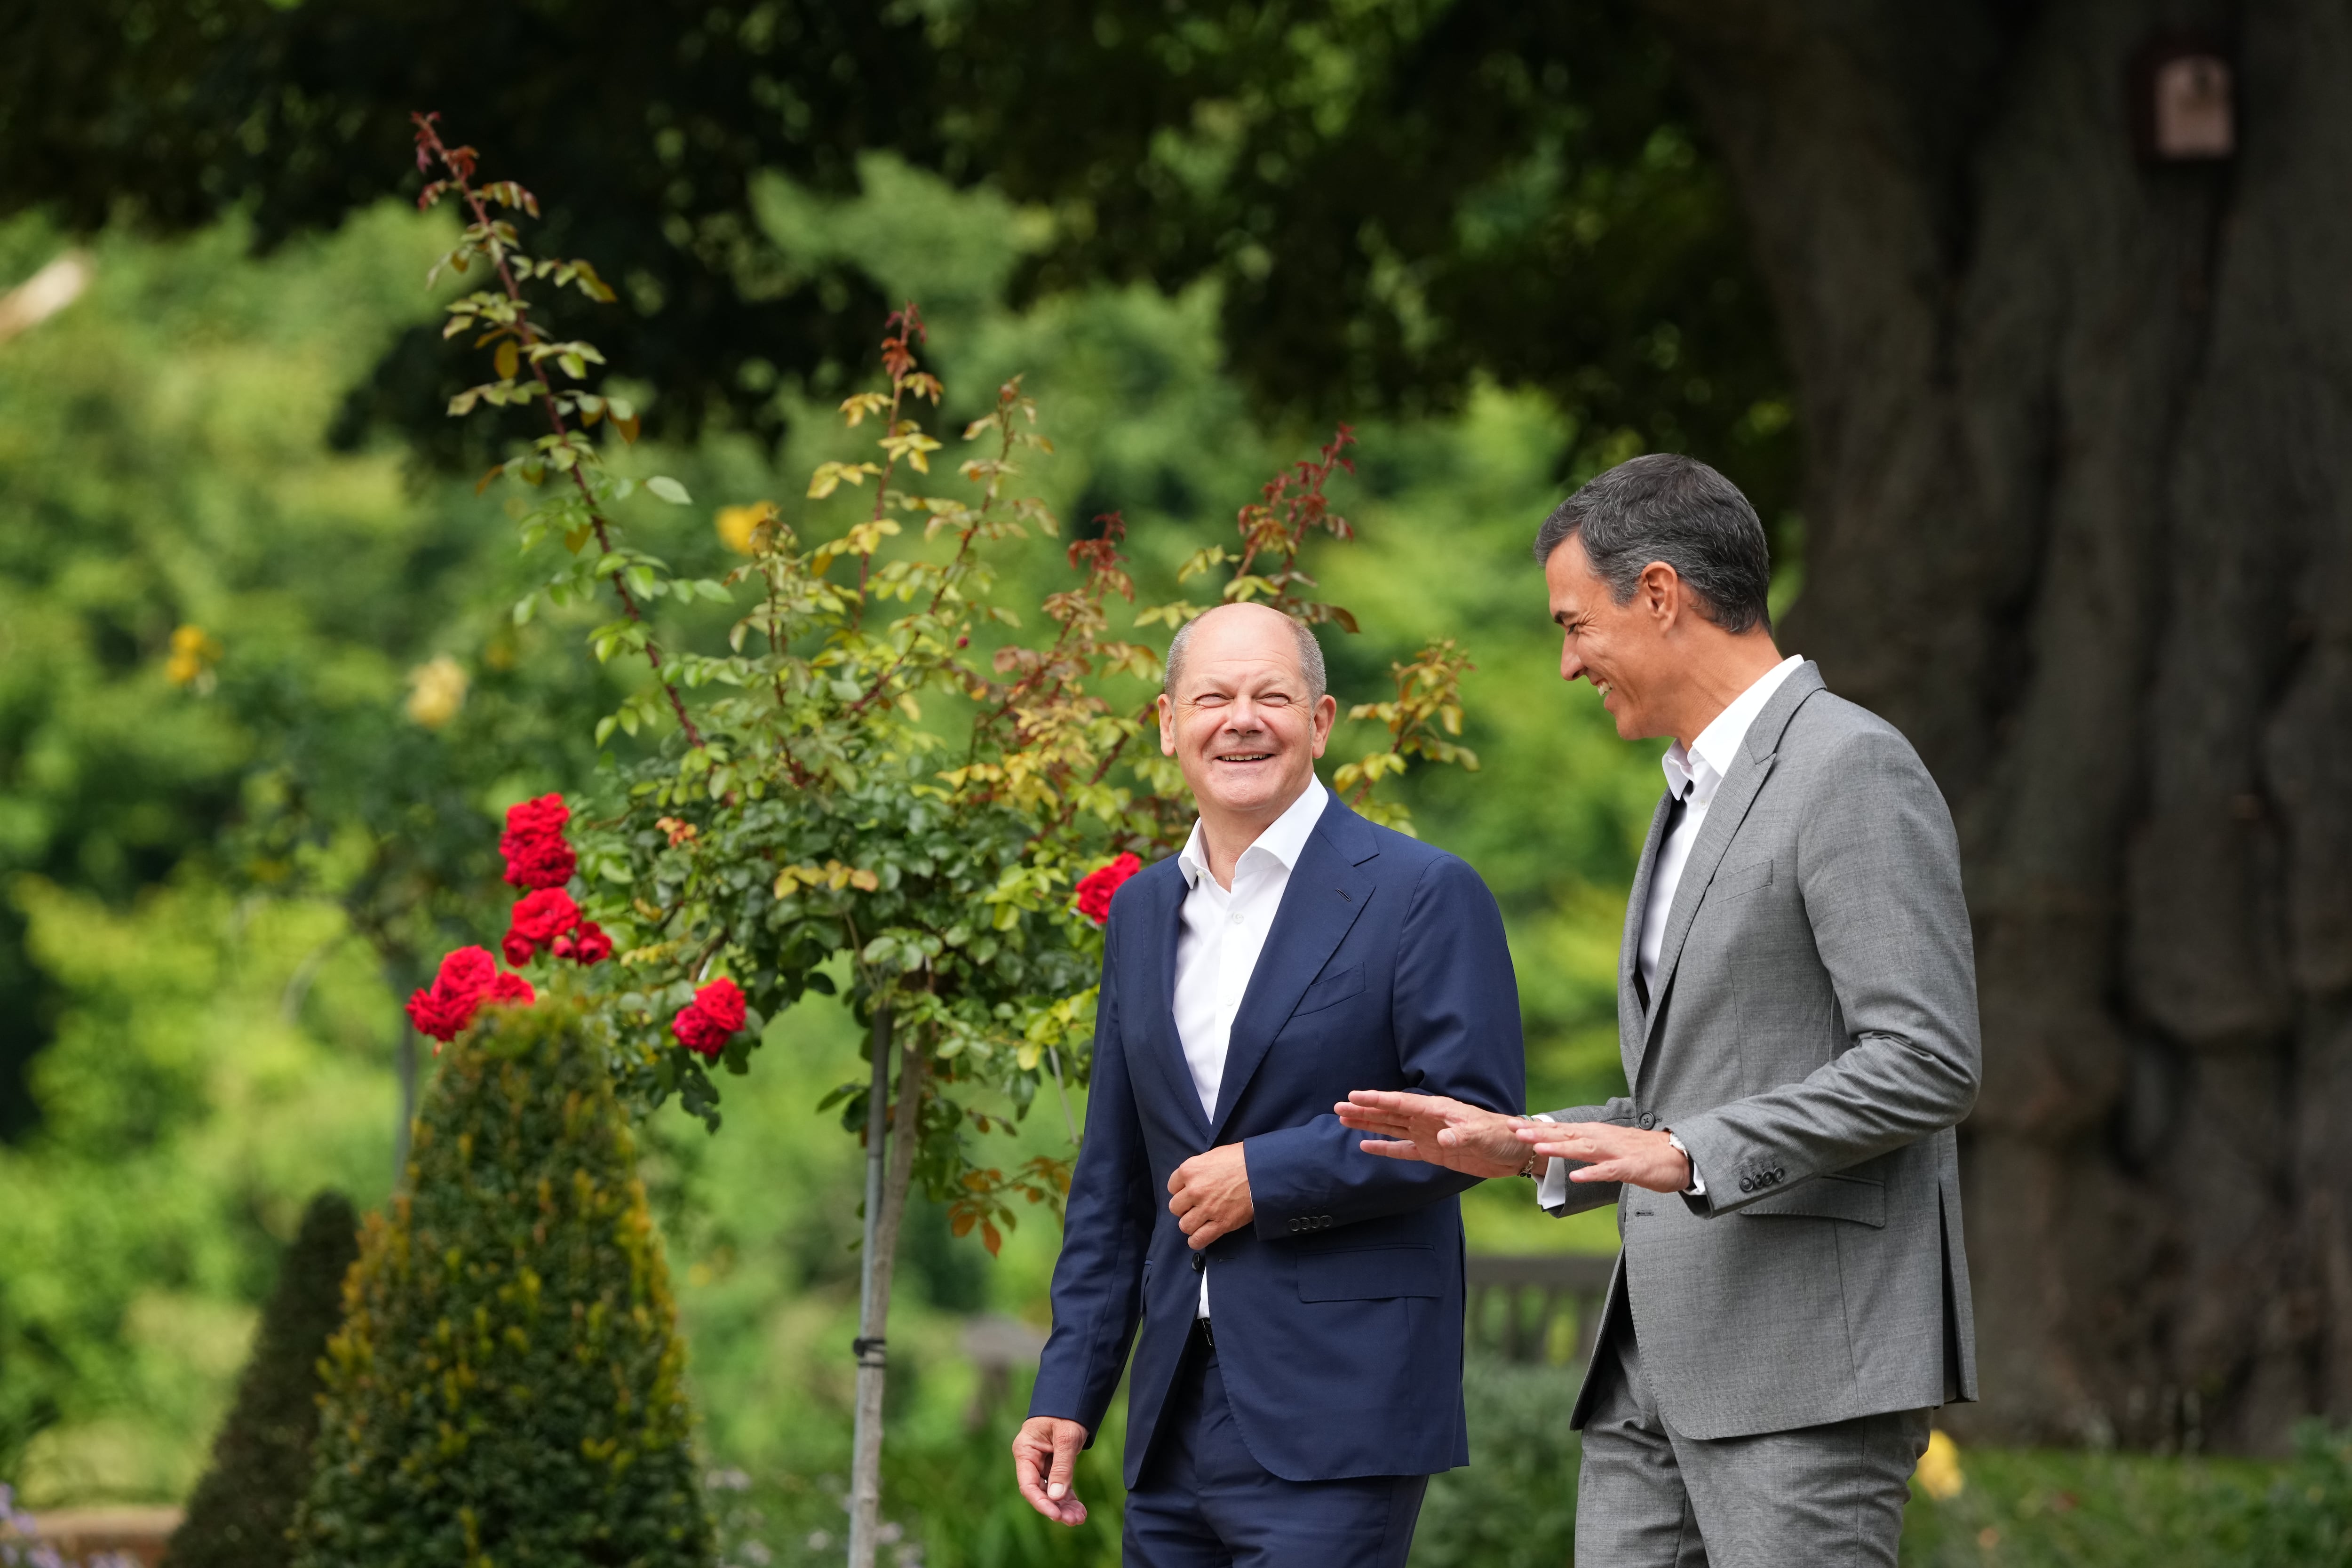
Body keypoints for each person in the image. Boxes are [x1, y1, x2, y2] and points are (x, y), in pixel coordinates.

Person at [1339, 453, 1980, 1568]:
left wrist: (1688, 1150)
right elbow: (1699, 1086)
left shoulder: (1852, 768)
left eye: (1575, 624)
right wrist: (1525, 1147)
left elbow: (1925, 1058)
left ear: (1660, 593)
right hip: (1648, 1366)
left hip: (1802, 1373)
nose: (1565, 661)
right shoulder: (1689, 793)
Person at [1012, 600, 1525, 1568]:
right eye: (1211, 696)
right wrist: (1067, 1387)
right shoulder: (1139, 910)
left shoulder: (1421, 892)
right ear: (1168, 724)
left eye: (1271, 695)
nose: (1240, 718)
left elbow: (1472, 1120)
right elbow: (1114, 1181)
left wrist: (1267, 1174)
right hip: (1170, 1413)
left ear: (1321, 720)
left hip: (1341, 1410)